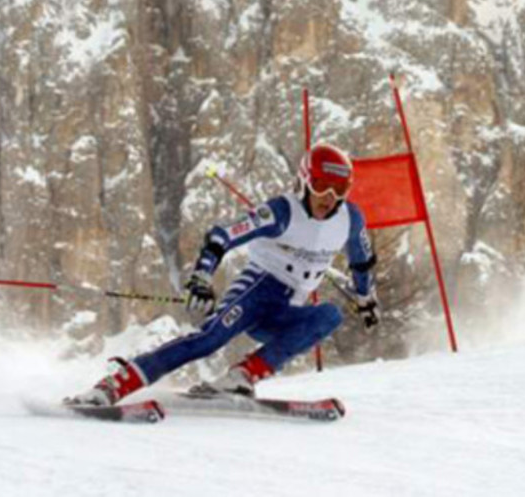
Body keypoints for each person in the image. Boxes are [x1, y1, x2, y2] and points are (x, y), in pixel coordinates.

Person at [67, 143, 380, 406]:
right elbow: (222, 237)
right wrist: (201, 279)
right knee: (209, 340)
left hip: (287, 309)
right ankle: (116, 385)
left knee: (329, 316)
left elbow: (362, 260)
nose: (329, 196)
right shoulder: (281, 212)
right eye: (320, 186)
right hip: (257, 291)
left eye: (339, 189)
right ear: (303, 181)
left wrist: (366, 297)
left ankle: (241, 376)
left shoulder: (350, 219)